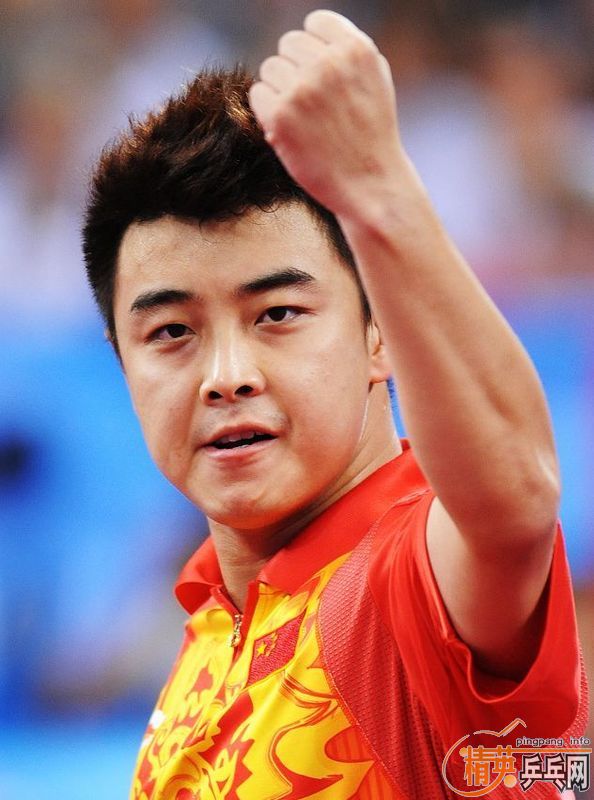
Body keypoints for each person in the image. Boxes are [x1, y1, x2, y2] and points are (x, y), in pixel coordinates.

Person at [82, 11, 588, 800]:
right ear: (123, 365)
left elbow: (515, 498)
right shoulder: (208, 621)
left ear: (381, 335)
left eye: (278, 314)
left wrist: (378, 188)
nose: (226, 376)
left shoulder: (408, 587)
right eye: (172, 331)